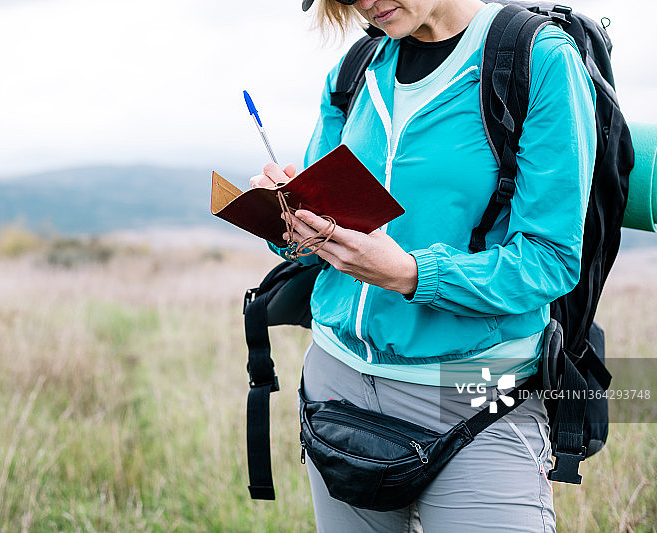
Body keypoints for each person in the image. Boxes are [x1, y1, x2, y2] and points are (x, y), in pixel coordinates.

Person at [250, 0, 596, 531]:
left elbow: (550, 260)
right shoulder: (355, 69)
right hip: (336, 384)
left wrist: (411, 274)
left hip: (475, 396)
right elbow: (325, 227)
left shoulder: (537, 59)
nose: (364, 2)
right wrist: (288, 220)